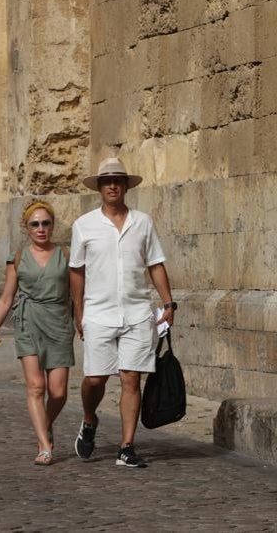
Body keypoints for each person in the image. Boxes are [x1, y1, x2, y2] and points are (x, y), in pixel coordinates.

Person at [69, 157, 176, 468]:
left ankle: (126, 446)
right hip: (99, 313)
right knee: (94, 378)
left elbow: (155, 263)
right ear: (100, 188)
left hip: (138, 311)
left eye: (118, 180)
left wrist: (168, 302)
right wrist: (79, 310)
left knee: (131, 378)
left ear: (126, 185)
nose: (112, 185)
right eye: (106, 181)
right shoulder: (84, 225)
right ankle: (90, 419)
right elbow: (76, 270)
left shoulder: (143, 222)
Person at [0, 201, 75, 466]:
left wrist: (82, 321)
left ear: (52, 225)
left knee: (58, 393)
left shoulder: (66, 255)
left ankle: (43, 425)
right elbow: (6, 298)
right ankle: (45, 446)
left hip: (58, 322)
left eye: (46, 223)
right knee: (36, 387)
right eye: (35, 224)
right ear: (27, 228)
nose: (41, 228)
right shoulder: (18, 257)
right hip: (28, 321)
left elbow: (79, 294)